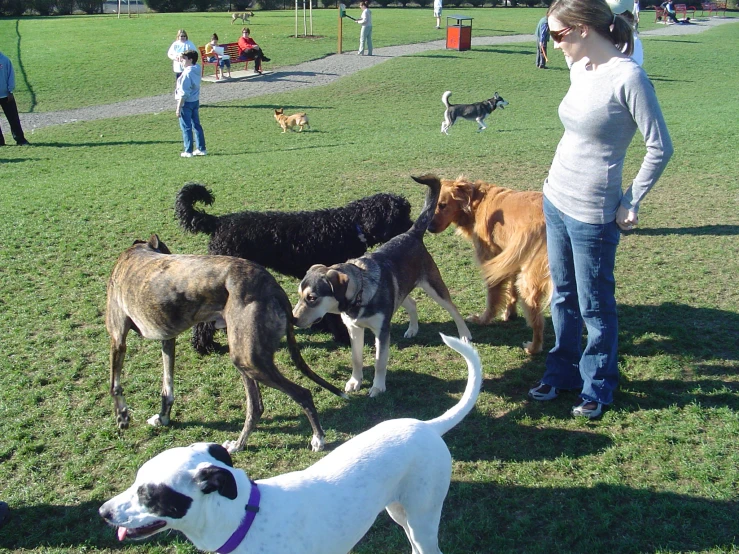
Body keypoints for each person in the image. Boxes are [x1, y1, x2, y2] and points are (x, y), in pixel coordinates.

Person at [528, 0, 673, 418]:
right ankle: (561, 373)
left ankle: (598, 385)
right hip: (555, 197)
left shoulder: (629, 76)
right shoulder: (580, 68)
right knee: (563, 296)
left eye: (557, 35)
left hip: (593, 212)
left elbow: (660, 146)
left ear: (582, 29)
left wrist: (631, 200)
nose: (553, 44)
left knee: (594, 305)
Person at [175, 50, 206, 158]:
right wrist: (182, 58)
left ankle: (188, 151)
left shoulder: (187, 74)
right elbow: (187, 66)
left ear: (190, 60)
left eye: (184, 59)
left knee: (186, 127)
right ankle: (201, 148)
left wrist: (178, 108)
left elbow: (184, 93)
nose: (182, 61)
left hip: (186, 103)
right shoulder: (197, 68)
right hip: (195, 101)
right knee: (196, 125)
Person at [0, 51, 30, 146]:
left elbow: (10, 76)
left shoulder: (5, 60)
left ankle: (20, 139)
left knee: (13, 118)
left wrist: (10, 91)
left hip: (6, 95)